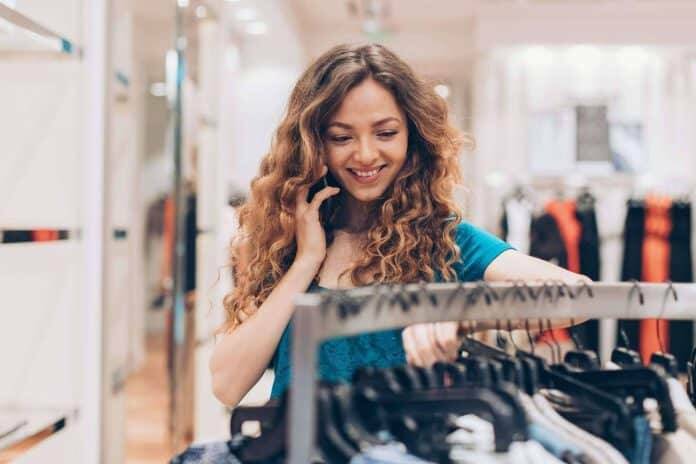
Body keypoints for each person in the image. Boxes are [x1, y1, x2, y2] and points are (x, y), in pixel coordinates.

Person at [209, 43, 587, 410]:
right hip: (297, 443)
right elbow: (227, 386)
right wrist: (306, 262)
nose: (366, 154)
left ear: (413, 136)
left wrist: (462, 318)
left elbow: (579, 296)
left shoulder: (447, 240)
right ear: (314, 144)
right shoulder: (285, 240)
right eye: (342, 137)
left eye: (386, 133)